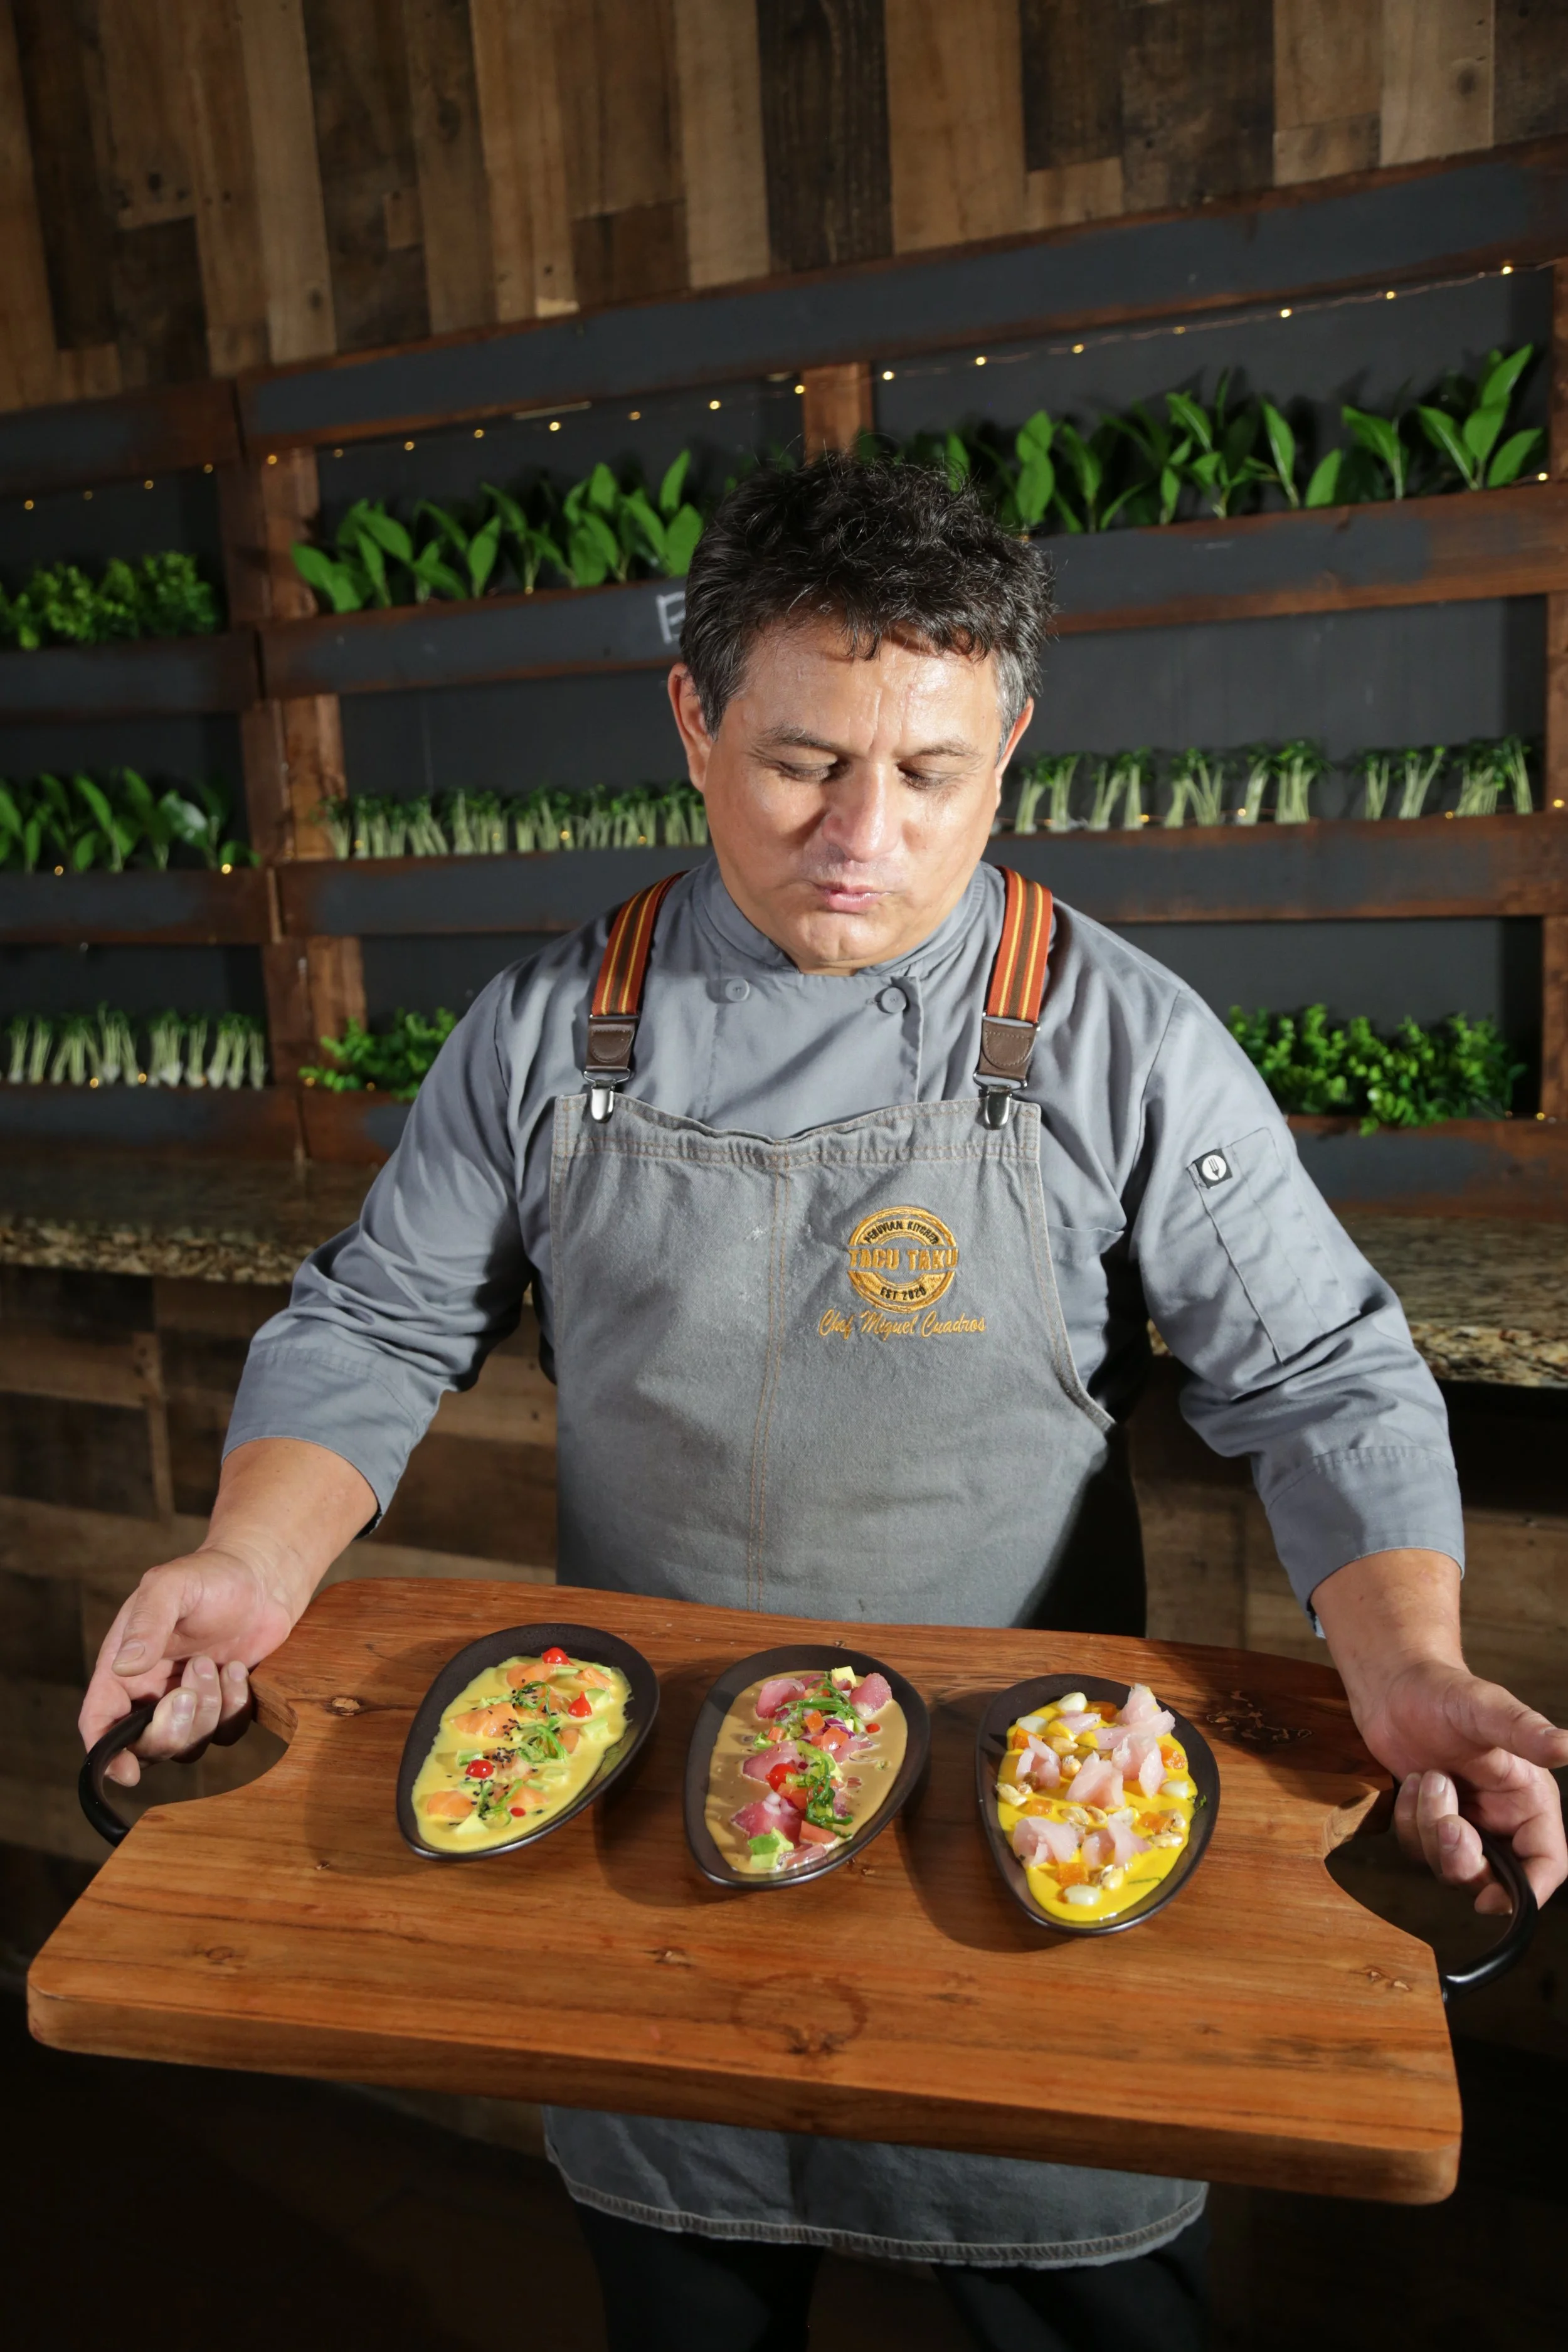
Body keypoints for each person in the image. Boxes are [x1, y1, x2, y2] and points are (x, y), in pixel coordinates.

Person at [82, 457, 1568, 2352]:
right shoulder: (551, 1031)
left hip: (1034, 1832)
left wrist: (1412, 1658)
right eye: (801, 762)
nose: (863, 832)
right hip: (665, 1810)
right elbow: (376, 1322)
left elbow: (1319, 1375)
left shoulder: (1116, 1035)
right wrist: (241, 1559)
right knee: (687, 2293)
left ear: (1010, 742)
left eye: (931, 772)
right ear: (693, 718)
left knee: (1084, 2298)